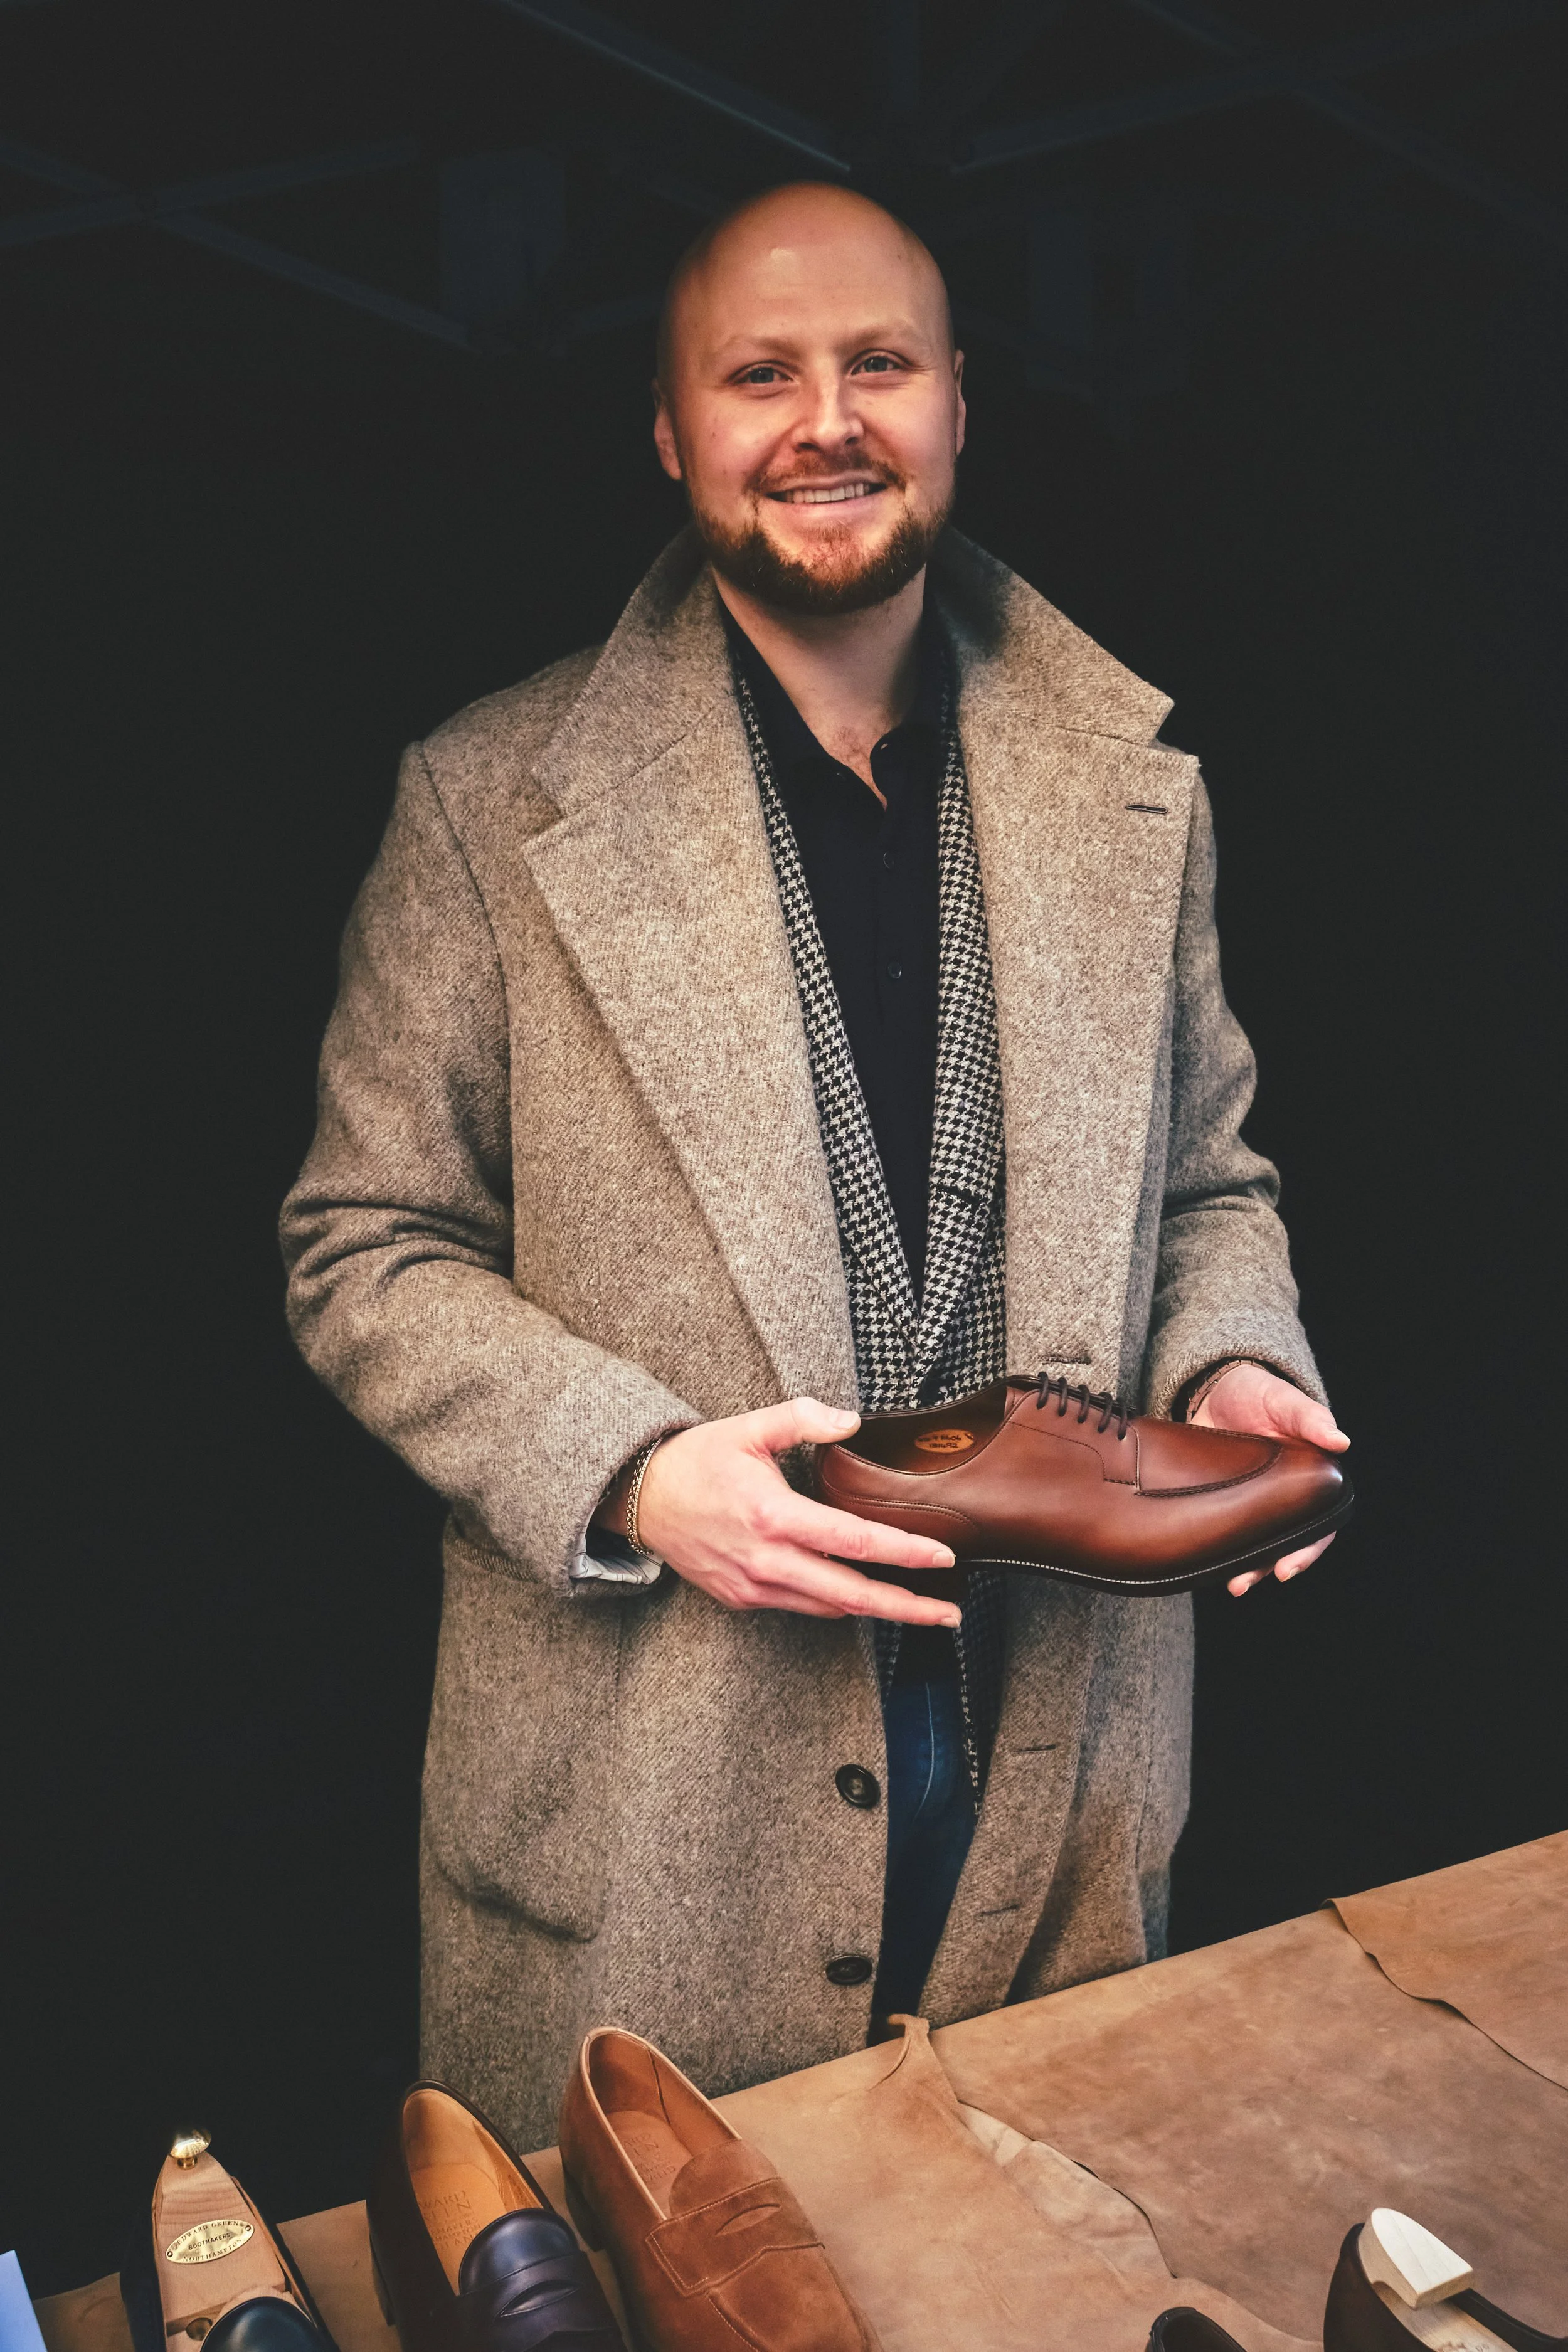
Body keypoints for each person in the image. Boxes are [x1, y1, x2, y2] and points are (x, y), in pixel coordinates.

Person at [280, 181, 1347, 2150]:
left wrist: (1230, 1358)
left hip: (1059, 1758)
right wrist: (629, 1470)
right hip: (655, 1794)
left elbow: (1207, 1181)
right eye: (758, 376)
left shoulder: (1139, 789)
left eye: (878, 364)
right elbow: (366, 1243)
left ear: (958, 404)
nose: (826, 421)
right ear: (670, 428)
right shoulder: (481, 800)